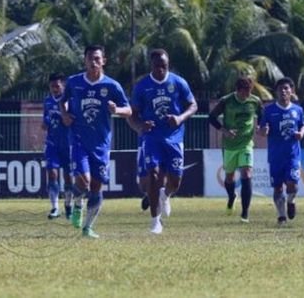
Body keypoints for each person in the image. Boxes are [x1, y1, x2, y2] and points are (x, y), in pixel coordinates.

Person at [60, 45, 131, 238]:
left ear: (103, 61)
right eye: (90, 58)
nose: (94, 62)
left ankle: (88, 227)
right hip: (78, 139)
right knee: (84, 180)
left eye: (97, 59)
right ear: (84, 60)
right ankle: (76, 203)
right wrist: (65, 114)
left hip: (101, 143)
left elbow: (129, 110)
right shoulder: (74, 82)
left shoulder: (112, 86)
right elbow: (62, 100)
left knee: (96, 186)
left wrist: (117, 110)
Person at [128, 49, 197, 234]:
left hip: (174, 138)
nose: (160, 69)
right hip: (151, 138)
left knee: (175, 182)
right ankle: (155, 222)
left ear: (168, 65)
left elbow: (193, 105)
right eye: (157, 66)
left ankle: (165, 195)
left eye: (164, 66)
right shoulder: (142, 86)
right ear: (151, 66)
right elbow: (132, 115)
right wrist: (140, 125)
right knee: (154, 176)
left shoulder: (178, 82)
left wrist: (180, 118)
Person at [208, 76, 262, 223]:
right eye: (245, 92)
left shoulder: (255, 101)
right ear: (238, 90)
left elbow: (262, 115)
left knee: (246, 172)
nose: (247, 95)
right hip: (229, 145)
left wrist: (260, 126)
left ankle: (245, 213)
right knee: (230, 177)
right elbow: (211, 117)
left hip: (246, 143)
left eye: (249, 91)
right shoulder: (227, 101)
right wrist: (224, 130)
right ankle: (231, 196)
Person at [259, 77, 304, 225]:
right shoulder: (269, 110)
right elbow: (261, 129)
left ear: (291, 91)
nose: (283, 91)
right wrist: (263, 131)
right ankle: (281, 216)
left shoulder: (298, 110)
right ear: (276, 92)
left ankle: (291, 201)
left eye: (286, 88)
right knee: (278, 187)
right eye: (280, 89)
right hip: (275, 156)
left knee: (292, 184)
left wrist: (301, 134)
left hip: (292, 155)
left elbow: (302, 125)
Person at [42, 73, 73, 220]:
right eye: (52, 86)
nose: (55, 89)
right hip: (52, 144)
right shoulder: (47, 101)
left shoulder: (69, 101)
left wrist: (63, 115)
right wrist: (45, 123)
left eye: (57, 86)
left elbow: (71, 120)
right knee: (52, 173)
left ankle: (68, 204)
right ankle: (55, 207)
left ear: (63, 86)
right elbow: (45, 120)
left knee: (68, 177)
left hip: (67, 144)